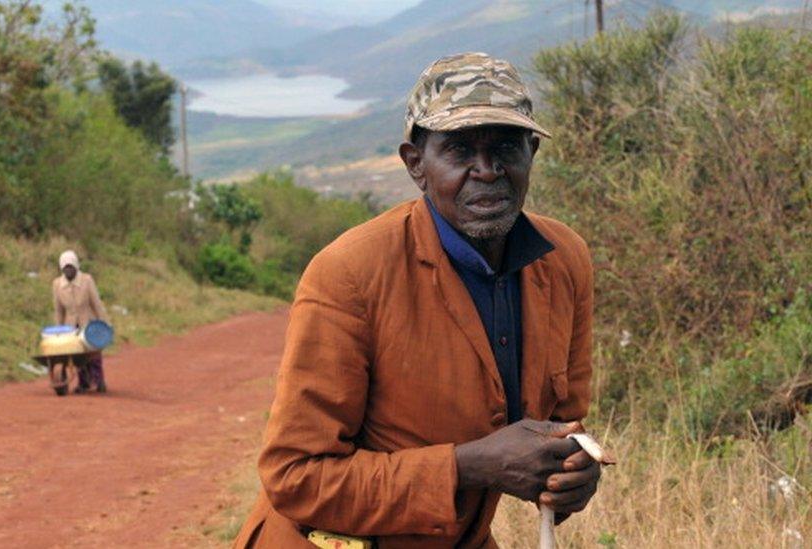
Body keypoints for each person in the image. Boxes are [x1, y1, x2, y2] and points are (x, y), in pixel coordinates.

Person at [233, 53, 599, 548]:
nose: (487, 170)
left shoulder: (563, 261)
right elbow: (297, 477)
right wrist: (472, 465)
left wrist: (573, 472)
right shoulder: (350, 273)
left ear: (532, 151)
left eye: (506, 147)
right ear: (416, 165)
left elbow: (563, 430)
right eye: (460, 150)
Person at [52, 250, 110, 393]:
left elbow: (97, 304)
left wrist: (105, 324)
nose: (69, 271)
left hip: (89, 323)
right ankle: (83, 383)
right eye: (66, 268)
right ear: (62, 269)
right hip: (70, 326)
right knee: (78, 356)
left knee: (93, 355)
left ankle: (98, 381)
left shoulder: (87, 280)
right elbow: (59, 310)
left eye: (71, 267)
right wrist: (58, 330)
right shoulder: (58, 285)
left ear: (76, 267)